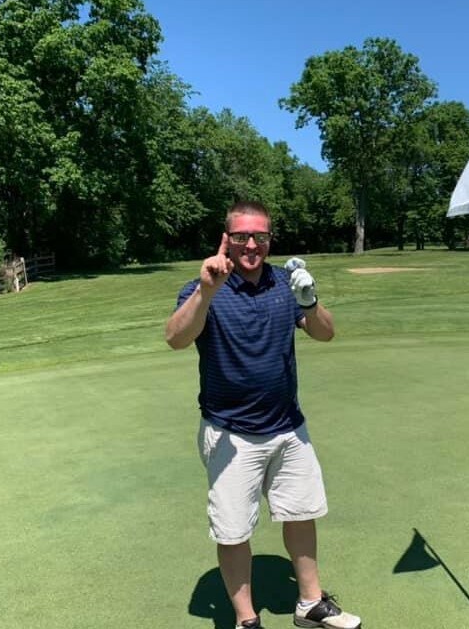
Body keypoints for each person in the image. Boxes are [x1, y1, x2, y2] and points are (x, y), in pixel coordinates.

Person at [165, 201, 361, 629]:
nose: (251, 245)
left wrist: (309, 302)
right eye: (241, 236)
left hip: (289, 428)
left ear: (270, 239)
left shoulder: (284, 284)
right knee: (234, 530)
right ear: (227, 239)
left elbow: (325, 333)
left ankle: (310, 604)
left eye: (260, 236)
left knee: (301, 513)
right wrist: (206, 291)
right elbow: (176, 338)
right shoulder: (203, 286)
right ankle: (246, 620)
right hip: (231, 433)